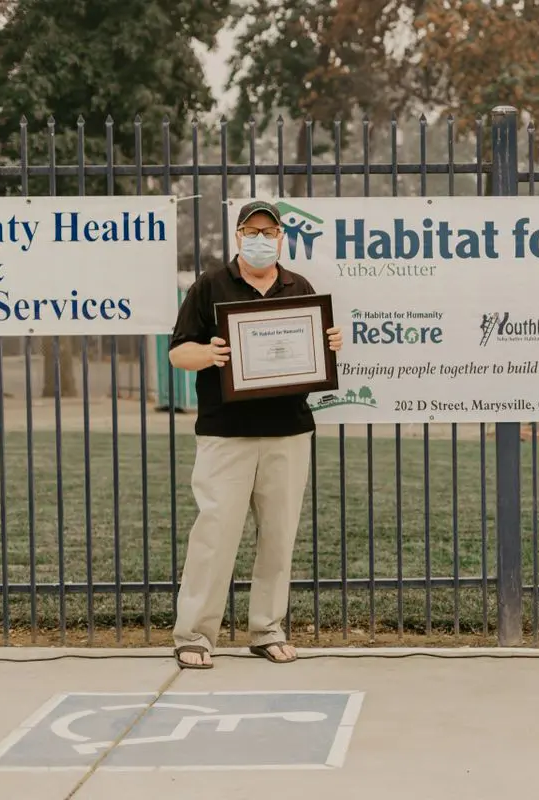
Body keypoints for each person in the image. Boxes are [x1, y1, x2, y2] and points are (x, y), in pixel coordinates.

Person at [167, 199, 342, 669]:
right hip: (227, 434)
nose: (261, 239)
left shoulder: (297, 286)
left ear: (281, 237)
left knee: (279, 537)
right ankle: (195, 635)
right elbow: (178, 354)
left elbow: (312, 356)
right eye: (252, 231)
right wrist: (212, 353)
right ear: (239, 235)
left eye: (270, 231)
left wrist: (329, 347)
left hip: (288, 432)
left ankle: (266, 629)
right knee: (215, 534)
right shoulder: (210, 286)